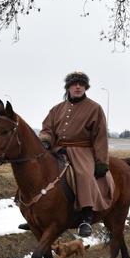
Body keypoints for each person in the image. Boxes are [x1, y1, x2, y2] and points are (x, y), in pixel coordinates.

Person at [37, 71, 113, 237]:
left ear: (85, 87)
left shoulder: (95, 108)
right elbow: (47, 129)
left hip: (83, 151)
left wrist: (101, 162)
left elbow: (100, 137)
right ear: (68, 87)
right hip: (58, 149)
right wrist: (45, 141)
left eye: (81, 84)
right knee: (38, 172)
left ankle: (86, 217)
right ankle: (35, 215)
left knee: (84, 175)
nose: (78, 87)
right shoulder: (56, 109)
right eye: (74, 84)